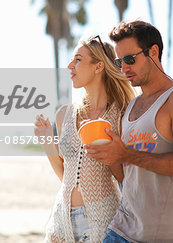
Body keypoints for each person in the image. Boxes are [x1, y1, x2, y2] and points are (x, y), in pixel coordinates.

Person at [85, 20, 173, 243]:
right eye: (120, 62)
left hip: (168, 236)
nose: (123, 69)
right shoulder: (131, 106)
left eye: (130, 59)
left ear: (153, 52)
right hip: (121, 230)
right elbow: (128, 178)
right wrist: (108, 152)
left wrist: (127, 155)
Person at [34, 35, 136, 243]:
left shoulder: (122, 114)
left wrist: (110, 154)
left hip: (102, 218)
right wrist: (47, 142)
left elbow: (127, 181)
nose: (70, 65)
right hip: (62, 219)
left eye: (78, 59)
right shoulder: (65, 115)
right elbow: (67, 177)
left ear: (99, 67)